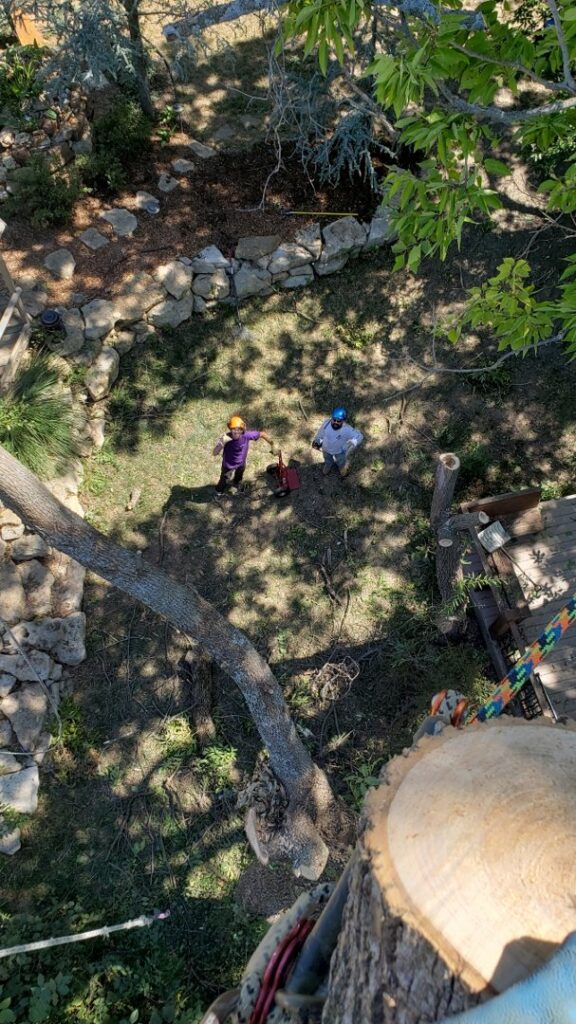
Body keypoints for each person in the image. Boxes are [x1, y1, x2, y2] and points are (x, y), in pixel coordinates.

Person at [213, 415, 276, 498]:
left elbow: (262, 434)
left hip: (241, 464)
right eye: (233, 429)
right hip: (228, 466)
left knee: (239, 477)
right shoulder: (226, 438)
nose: (236, 431)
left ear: (242, 429)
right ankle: (218, 492)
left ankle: (236, 483)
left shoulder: (246, 436)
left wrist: (272, 445)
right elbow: (215, 453)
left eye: (239, 429)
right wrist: (221, 443)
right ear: (230, 429)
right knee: (224, 480)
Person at [311, 406, 363, 478]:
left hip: (340, 452)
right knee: (328, 461)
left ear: (343, 421)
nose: (335, 422)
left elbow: (359, 436)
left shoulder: (347, 429)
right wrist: (317, 441)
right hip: (326, 450)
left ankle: (342, 472)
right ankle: (327, 467)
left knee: (341, 463)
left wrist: (352, 443)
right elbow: (320, 434)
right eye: (334, 419)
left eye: (338, 421)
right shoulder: (326, 424)